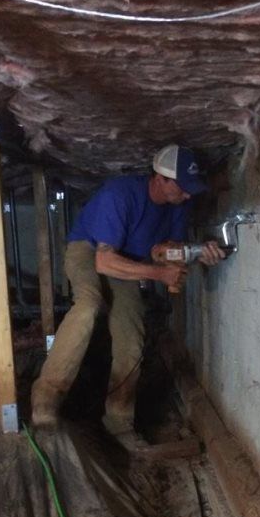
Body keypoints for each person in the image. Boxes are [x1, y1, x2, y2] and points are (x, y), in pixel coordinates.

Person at [31, 144, 224, 434]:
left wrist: (199, 251)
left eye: (190, 189)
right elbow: (104, 261)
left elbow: (166, 250)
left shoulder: (179, 205)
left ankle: (119, 420)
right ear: (160, 178)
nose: (187, 195)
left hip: (130, 262)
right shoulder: (120, 194)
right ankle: (45, 401)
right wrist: (159, 273)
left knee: (131, 338)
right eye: (183, 188)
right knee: (88, 306)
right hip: (90, 251)